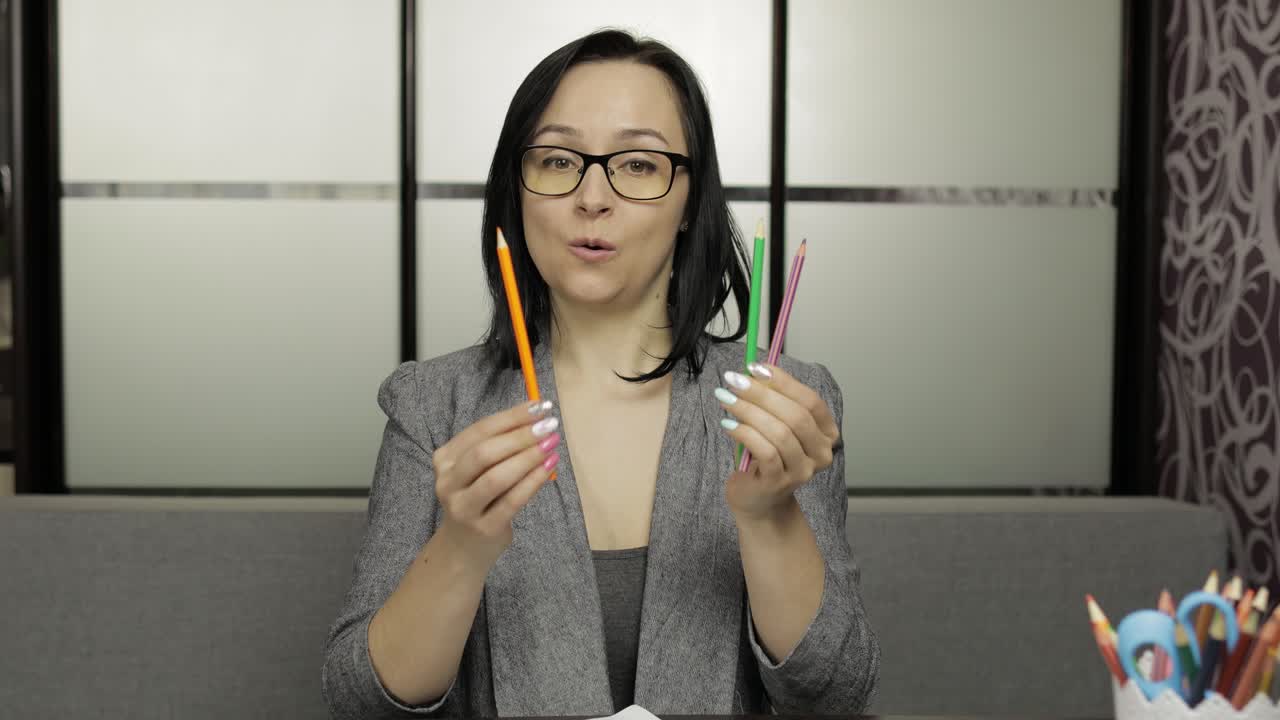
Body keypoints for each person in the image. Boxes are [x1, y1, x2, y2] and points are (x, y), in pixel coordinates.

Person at [322, 28, 879, 719]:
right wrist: (462, 548)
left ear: (688, 200)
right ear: (516, 192)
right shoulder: (433, 404)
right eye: (558, 160)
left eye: (639, 165)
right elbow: (357, 702)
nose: (592, 196)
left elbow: (835, 694)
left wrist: (769, 519)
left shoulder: (781, 406)